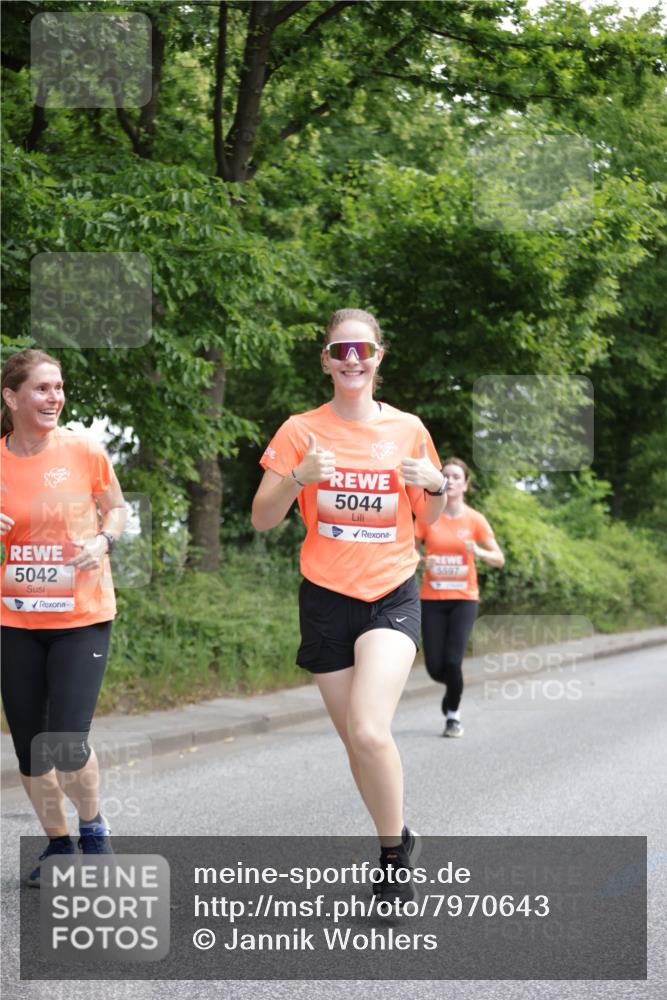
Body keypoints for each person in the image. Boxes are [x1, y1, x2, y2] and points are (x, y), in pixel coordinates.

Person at [252, 308, 447, 906]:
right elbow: (262, 518)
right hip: (326, 599)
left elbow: (429, 516)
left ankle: (392, 858)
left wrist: (437, 486)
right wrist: (298, 477)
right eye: (342, 351)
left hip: (390, 591)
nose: (353, 360)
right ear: (327, 360)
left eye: (363, 350)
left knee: (368, 728)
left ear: (378, 357)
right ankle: (399, 833)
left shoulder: (408, 428)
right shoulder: (299, 430)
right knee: (356, 744)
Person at [0, 349, 127, 886]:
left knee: (68, 743)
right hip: (15, 620)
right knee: (31, 748)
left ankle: (93, 829)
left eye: (59, 387)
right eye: (42, 388)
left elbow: (117, 507)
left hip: (81, 615)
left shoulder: (82, 449)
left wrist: (103, 541)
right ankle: (58, 845)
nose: (55, 397)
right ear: (11, 397)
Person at [415, 458, 505, 738]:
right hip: (432, 599)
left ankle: (453, 716)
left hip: (464, 599)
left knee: (453, 662)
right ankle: (454, 688)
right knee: (434, 667)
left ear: (465, 485)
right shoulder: (428, 516)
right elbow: (408, 550)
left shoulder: (475, 520)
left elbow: (499, 558)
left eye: (456, 477)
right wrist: (423, 560)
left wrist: (478, 551)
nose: (451, 481)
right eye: (446, 476)